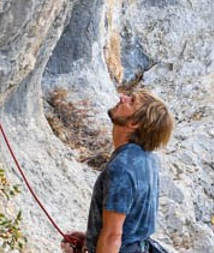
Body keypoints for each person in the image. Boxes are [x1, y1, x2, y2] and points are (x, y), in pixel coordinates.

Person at [62, 87, 173, 253]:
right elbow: (131, 224)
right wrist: (90, 238)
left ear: (134, 123)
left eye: (131, 101)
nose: (122, 98)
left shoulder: (121, 167)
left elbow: (113, 236)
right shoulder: (147, 159)